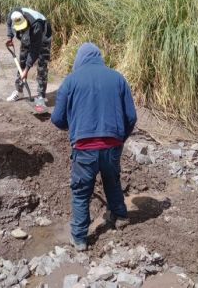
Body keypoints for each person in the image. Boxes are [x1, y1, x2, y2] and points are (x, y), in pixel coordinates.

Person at [51, 42, 137, 251]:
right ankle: (120, 216)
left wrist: (75, 129)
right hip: (112, 145)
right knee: (112, 180)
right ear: (99, 57)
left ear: (79, 59)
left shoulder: (71, 80)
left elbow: (57, 118)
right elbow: (131, 117)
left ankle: (80, 238)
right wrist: (120, 139)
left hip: (84, 148)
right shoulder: (117, 78)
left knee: (81, 191)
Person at [5, 7, 52, 108]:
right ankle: (19, 91)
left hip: (43, 36)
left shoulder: (36, 25)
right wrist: (10, 37)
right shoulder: (13, 15)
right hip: (27, 34)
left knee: (42, 65)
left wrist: (26, 70)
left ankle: (41, 97)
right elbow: (8, 23)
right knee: (21, 61)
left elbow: (34, 51)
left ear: (25, 18)